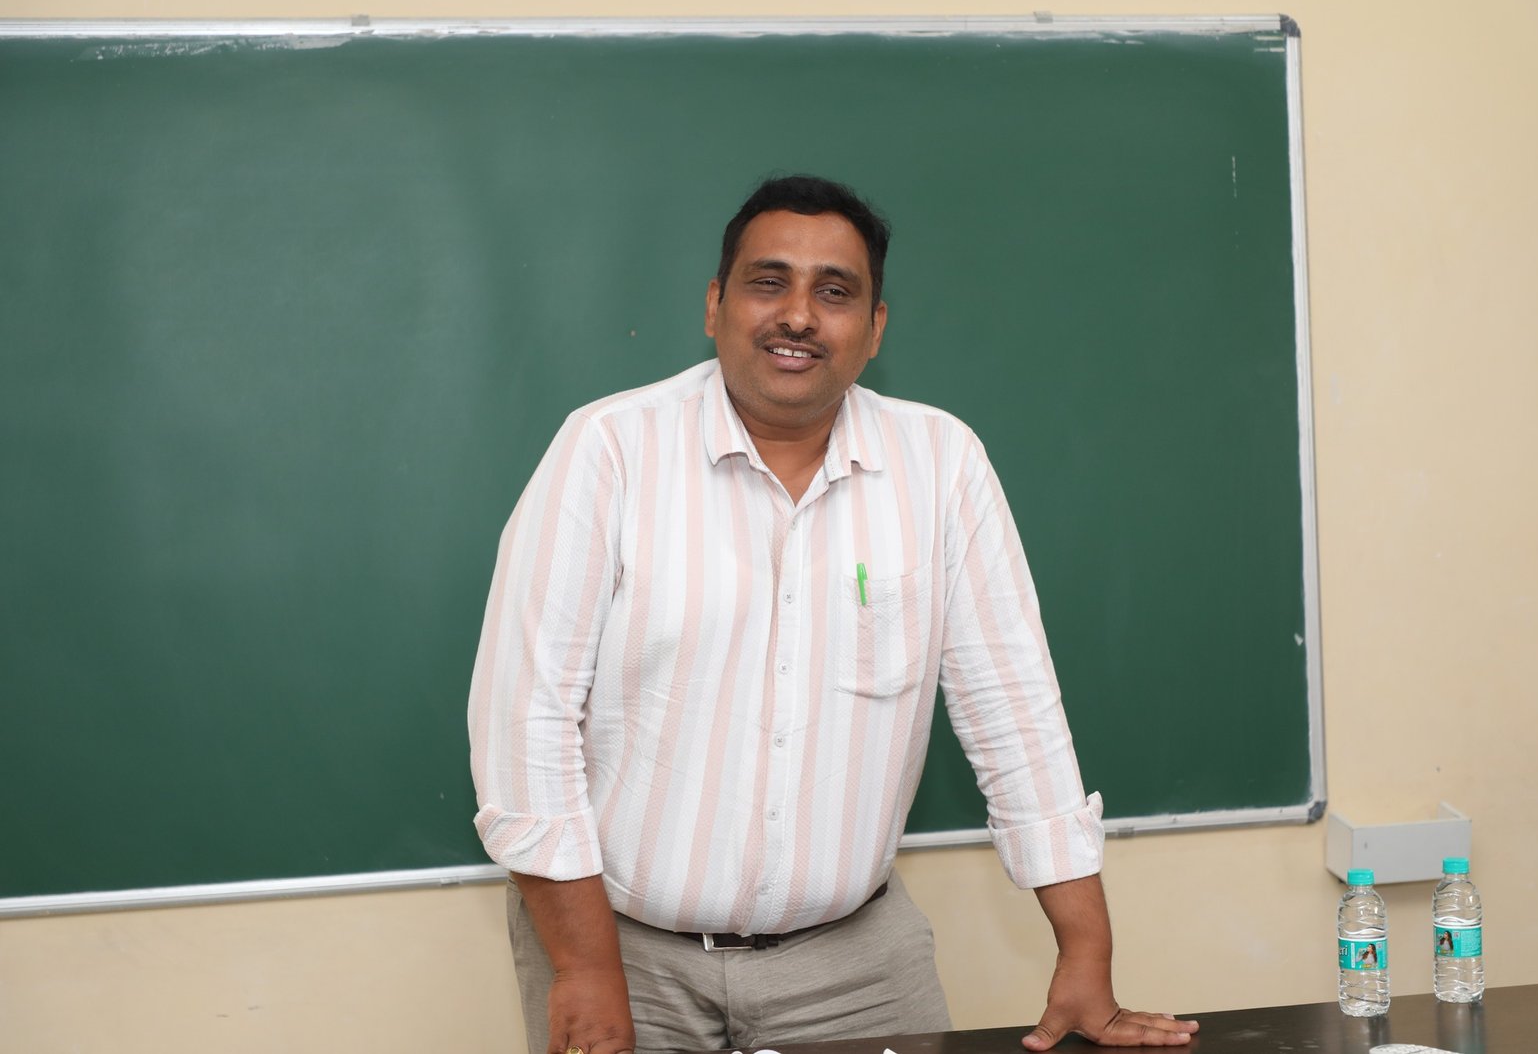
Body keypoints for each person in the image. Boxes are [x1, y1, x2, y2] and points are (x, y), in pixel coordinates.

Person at [468, 174, 1199, 1053]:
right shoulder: (609, 450)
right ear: (715, 305)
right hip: (621, 956)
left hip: (858, 970)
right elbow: (525, 727)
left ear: (875, 328)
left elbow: (1015, 715)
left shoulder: (942, 463)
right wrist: (586, 971)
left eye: (835, 292)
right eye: (768, 282)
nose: (798, 316)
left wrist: (1085, 950)